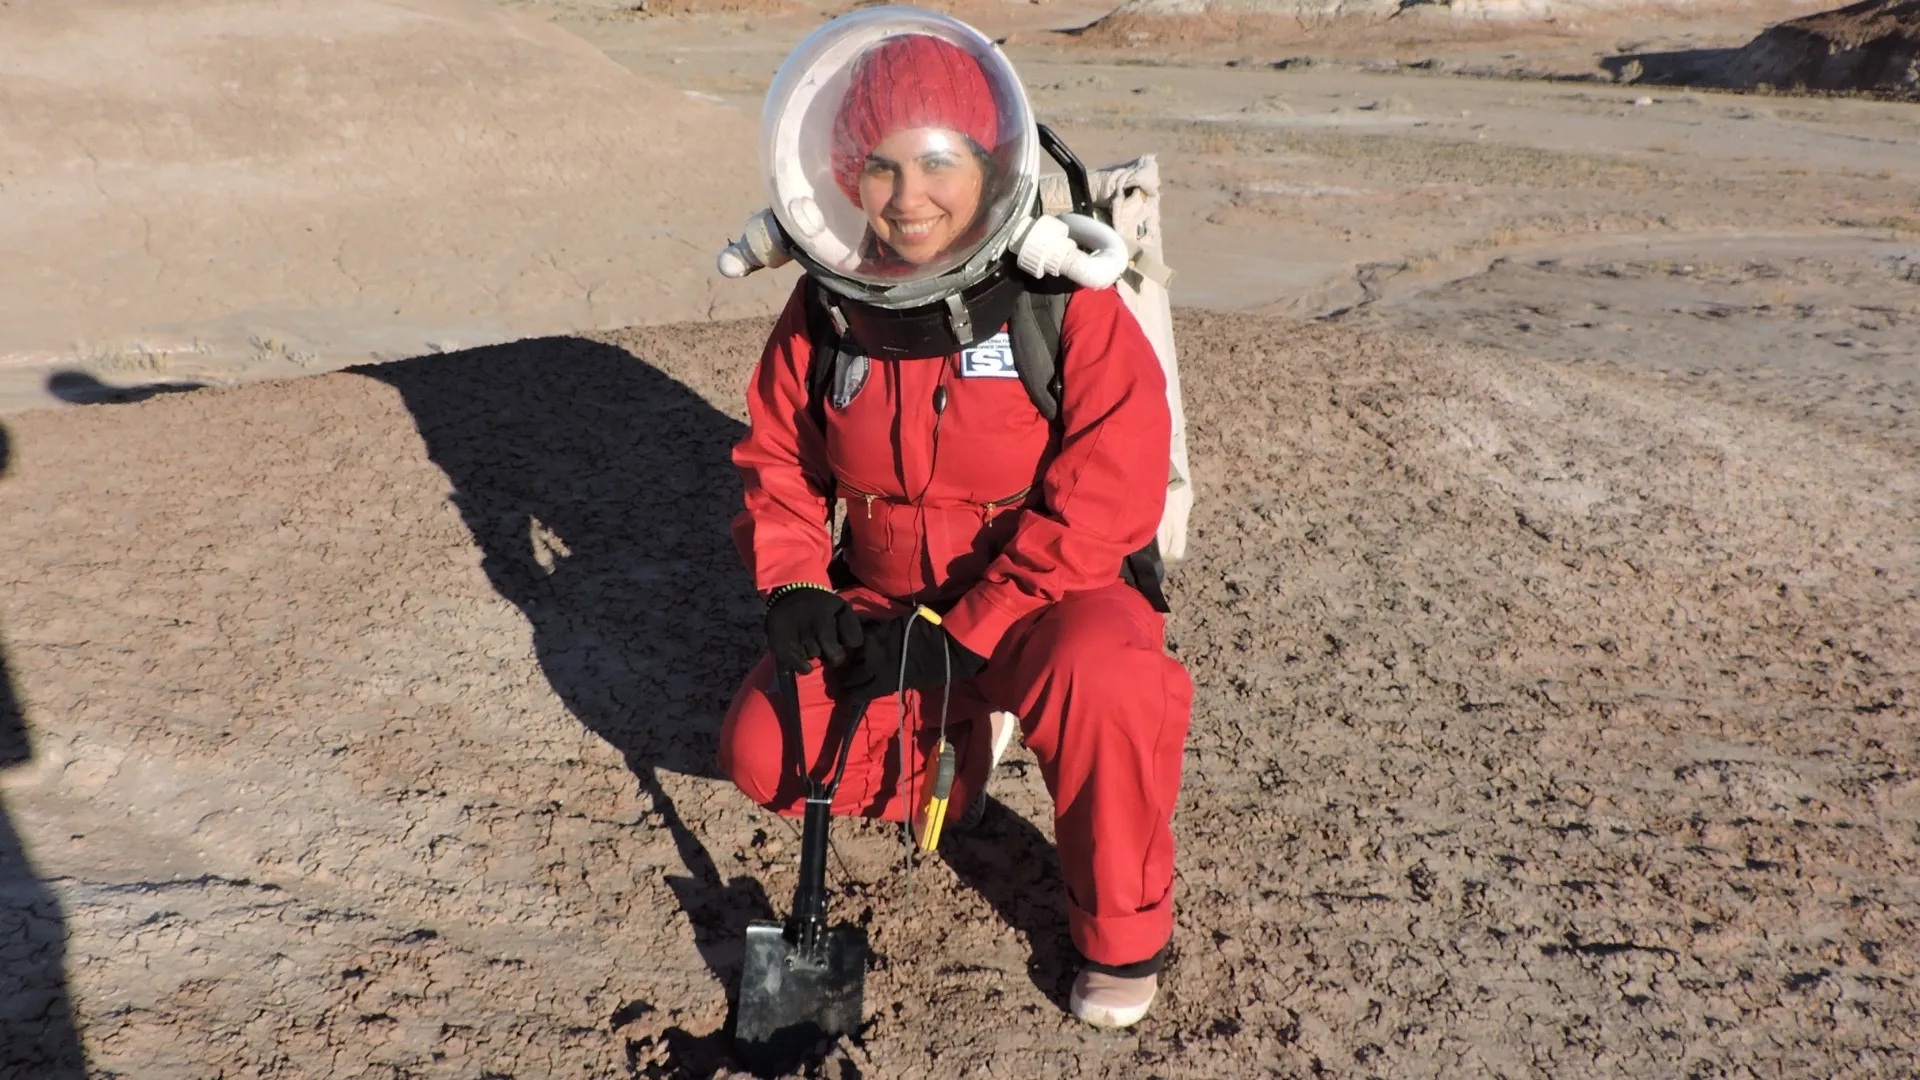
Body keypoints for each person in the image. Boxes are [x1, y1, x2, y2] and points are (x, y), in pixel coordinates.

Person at [715, 8, 1193, 1030]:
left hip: (1043, 609)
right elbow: (778, 458)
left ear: (988, 163)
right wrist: (794, 581)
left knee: (1108, 680)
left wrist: (965, 634)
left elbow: (1106, 499)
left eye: (938, 163)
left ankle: (1121, 935)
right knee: (765, 753)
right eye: (880, 168)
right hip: (889, 604)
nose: (908, 198)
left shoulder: (1058, 301)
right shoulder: (830, 307)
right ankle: (957, 749)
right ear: (845, 176)